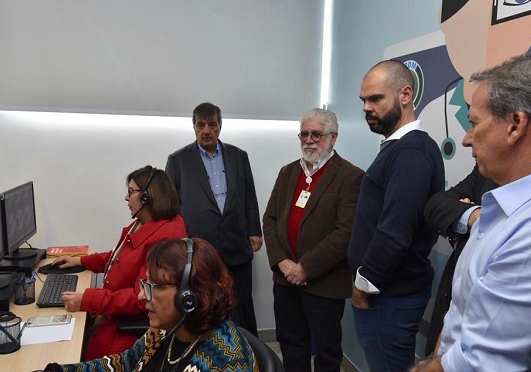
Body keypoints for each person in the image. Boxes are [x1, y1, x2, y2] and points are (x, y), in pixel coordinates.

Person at [411, 53, 531, 371]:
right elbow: (460, 316)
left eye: (475, 123)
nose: (466, 139)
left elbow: (478, 362)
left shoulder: (527, 231)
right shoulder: (496, 198)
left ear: (515, 126)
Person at [347, 60, 445, 371]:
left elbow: (395, 231)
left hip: (388, 297)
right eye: (363, 100)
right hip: (388, 295)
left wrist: (364, 286)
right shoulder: (400, 149)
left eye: (376, 99)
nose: (366, 107)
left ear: (405, 95)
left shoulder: (410, 152)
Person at [43, 238, 258, 372]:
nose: (140, 297)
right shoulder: (167, 329)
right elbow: (125, 363)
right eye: (145, 284)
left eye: (155, 286)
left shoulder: (227, 362)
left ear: (189, 296)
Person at [50, 166, 187, 360]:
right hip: (111, 316)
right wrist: (81, 260)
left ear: (147, 197)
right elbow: (119, 257)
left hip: (125, 332)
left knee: (63, 351)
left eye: (131, 192)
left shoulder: (164, 238)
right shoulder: (144, 223)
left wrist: (88, 300)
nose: (126, 198)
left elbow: (141, 297)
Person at [263, 108, 363, 372]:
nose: (309, 140)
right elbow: (270, 220)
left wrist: (305, 267)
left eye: (316, 134)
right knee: (290, 344)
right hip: (285, 281)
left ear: (333, 138)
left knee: (327, 353)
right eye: (304, 134)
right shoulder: (287, 172)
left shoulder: (351, 176)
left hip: (324, 283)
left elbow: (346, 232)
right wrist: (283, 262)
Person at [165, 102, 262, 335]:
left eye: (212, 124)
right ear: (193, 127)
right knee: (204, 306)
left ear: (220, 126)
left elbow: (249, 196)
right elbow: (170, 207)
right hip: (199, 248)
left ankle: (249, 353)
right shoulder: (177, 160)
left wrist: (254, 230)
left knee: (241, 304)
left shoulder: (239, 156)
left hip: (236, 244)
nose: (206, 130)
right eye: (200, 125)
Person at [423, 157, 497, 354]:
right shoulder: (486, 171)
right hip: (450, 319)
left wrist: (463, 224)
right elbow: (436, 205)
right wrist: (474, 215)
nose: (467, 138)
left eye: (474, 125)